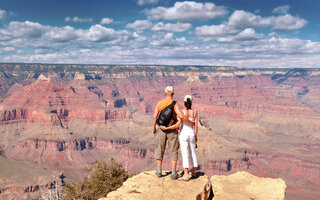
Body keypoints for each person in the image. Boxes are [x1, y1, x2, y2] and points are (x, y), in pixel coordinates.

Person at [152, 86, 195, 180]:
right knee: (173, 150)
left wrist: (154, 128)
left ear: (165, 93)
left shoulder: (160, 103)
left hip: (161, 129)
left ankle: (159, 171)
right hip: (172, 131)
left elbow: (155, 117)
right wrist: (191, 122)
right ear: (173, 94)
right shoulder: (175, 104)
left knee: (160, 149)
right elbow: (181, 116)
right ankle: (173, 173)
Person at [160, 95, 198, 181]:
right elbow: (196, 126)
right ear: (191, 103)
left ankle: (186, 173)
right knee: (193, 152)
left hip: (184, 134)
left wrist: (167, 128)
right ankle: (194, 172)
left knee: (185, 153)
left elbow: (177, 125)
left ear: (184, 103)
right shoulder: (195, 112)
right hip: (191, 134)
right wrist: (196, 137)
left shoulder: (182, 112)